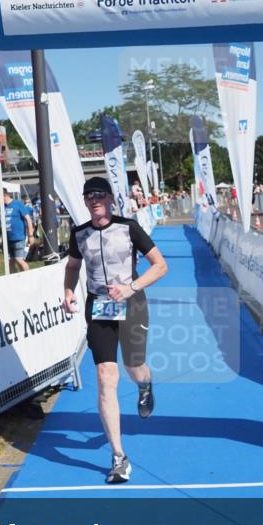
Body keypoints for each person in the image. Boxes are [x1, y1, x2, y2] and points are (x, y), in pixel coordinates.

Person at [63, 177, 168, 484]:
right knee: (105, 376)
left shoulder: (129, 227)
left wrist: (130, 287)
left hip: (132, 303)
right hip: (98, 308)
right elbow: (72, 265)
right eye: (88, 196)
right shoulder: (79, 234)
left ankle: (145, 385)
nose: (94, 199)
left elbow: (161, 266)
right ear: (84, 202)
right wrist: (68, 290)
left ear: (109, 198)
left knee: (134, 367)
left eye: (99, 194)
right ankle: (119, 457)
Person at [0, 189, 33, 272]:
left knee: (19, 260)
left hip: (18, 237)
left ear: (5, 195)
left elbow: (28, 219)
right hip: (6, 239)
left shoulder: (17, 204)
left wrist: (30, 235)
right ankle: (14, 280)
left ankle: (28, 276)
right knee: (9, 261)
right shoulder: (1, 206)